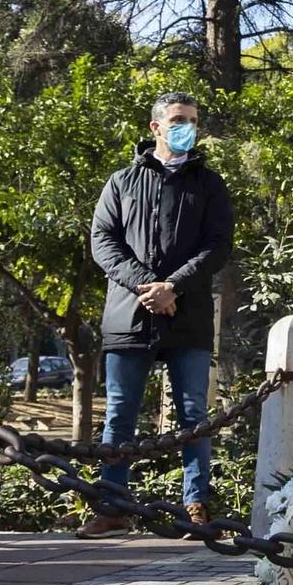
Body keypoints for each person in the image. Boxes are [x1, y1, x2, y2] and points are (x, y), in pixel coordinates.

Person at [82, 92, 235, 537]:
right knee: (120, 415)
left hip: (188, 317)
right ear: (156, 128)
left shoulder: (210, 184)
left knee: (193, 415)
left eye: (192, 120)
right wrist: (148, 286)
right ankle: (112, 508)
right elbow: (103, 242)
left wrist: (174, 287)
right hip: (129, 316)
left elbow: (218, 245)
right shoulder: (122, 182)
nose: (186, 126)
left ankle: (196, 506)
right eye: (178, 119)